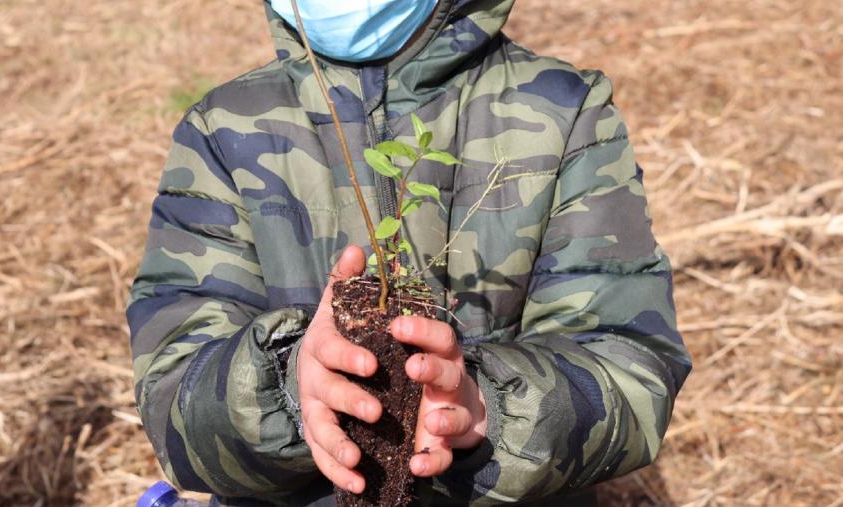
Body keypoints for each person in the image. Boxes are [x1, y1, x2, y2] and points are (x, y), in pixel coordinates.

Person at [127, 0, 692, 505]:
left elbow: (633, 374)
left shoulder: (567, 115)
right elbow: (171, 401)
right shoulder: (222, 131)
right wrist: (284, 384)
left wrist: (488, 407)